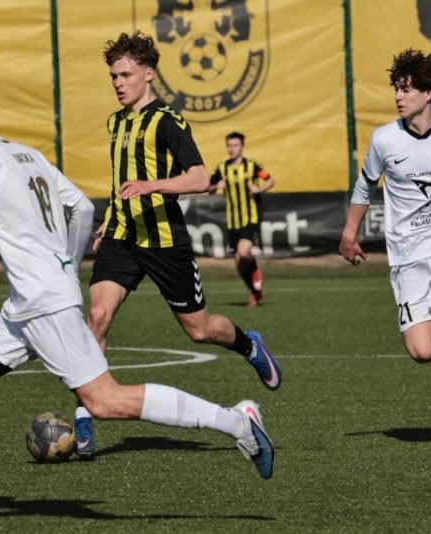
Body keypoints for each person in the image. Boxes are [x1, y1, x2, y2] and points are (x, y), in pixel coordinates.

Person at [0, 70, 275, 527]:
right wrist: (67, 264)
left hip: (41, 303)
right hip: (27, 305)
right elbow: (82, 209)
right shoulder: (26, 154)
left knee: (105, 401)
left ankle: (237, 422)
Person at [79, 32, 281, 460]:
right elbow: (120, 182)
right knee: (96, 316)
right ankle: (84, 415)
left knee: (199, 330)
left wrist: (151, 186)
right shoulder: (116, 122)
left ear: (148, 74)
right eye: (113, 76)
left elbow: (200, 178)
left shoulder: (169, 121)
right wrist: (110, 218)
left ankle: (249, 345)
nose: (118, 83)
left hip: (164, 241)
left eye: (125, 75)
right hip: (122, 237)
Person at [338, 49, 431, 448]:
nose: (398, 96)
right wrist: (350, 233)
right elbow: (364, 187)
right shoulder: (384, 139)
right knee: (422, 351)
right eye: (396, 88)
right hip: (407, 255)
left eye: (406, 89)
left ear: (428, 93)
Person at [209, 132, 275, 306]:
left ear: (242, 147)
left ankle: (255, 269)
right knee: (238, 261)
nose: (232, 149)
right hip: (233, 220)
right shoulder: (221, 168)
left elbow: (270, 180)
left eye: (235, 145)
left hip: (250, 217)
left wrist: (259, 189)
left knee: (244, 252)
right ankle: (255, 292)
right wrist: (216, 186)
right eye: (229, 145)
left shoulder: (252, 166)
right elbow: (208, 187)